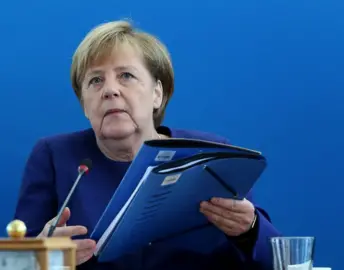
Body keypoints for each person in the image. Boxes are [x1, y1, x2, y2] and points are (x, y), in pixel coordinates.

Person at [13, 20, 281, 270]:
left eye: (126, 76)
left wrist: (250, 229)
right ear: (84, 104)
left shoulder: (210, 153)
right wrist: (44, 256)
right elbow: (15, 262)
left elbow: (279, 258)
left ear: (157, 94)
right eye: (95, 80)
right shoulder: (54, 156)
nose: (110, 90)